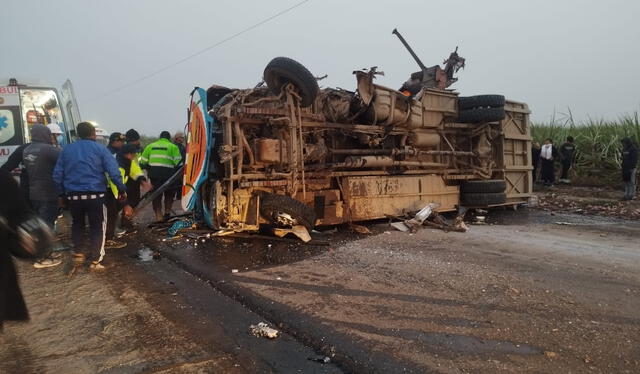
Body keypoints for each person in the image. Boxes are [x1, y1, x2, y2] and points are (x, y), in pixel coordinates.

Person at [52, 122, 126, 271]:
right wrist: (121, 189)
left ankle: (78, 253)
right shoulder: (101, 149)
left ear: (78, 134)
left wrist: (61, 194)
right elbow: (113, 172)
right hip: (96, 196)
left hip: (73, 197)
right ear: (93, 133)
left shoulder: (67, 150)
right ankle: (95, 261)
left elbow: (57, 175)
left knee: (77, 224)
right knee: (97, 227)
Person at [22, 125, 62, 268]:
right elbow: (64, 161)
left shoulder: (27, 150)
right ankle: (42, 257)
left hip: (34, 193)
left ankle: (46, 253)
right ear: (45, 134)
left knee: (40, 224)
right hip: (48, 192)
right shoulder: (48, 150)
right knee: (47, 226)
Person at [105, 144, 151, 248]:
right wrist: (125, 204)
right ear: (129, 154)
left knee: (113, 213)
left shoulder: (126, 160)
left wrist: (142, 181)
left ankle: (109, 234)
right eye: (133, 155)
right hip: (108, 190)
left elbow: (135, 171)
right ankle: (107, 239)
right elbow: (115, 186)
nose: (134, 157)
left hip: (115, 190)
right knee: (111, 214)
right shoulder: (118, 165)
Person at [139, 131, 182, 221]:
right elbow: (179, 164)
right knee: (169, 194)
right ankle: (167, 212)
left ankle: (158, 215)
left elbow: (142, 163)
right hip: (169, 176)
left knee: (156, 195)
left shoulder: (150, 146)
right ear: (169, 138)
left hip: (154, 176)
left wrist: (149, 167)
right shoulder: (173, 147)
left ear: (160, 137)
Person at [172, 131, 186, 202]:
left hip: (176, 167)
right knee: (177, 182)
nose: (183, 139)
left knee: (177, 182)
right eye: (182, 137)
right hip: (178, 167)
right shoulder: (179, 147)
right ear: (177, 138)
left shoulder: (180, 146)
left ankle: (177, 196)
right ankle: (177, 196)